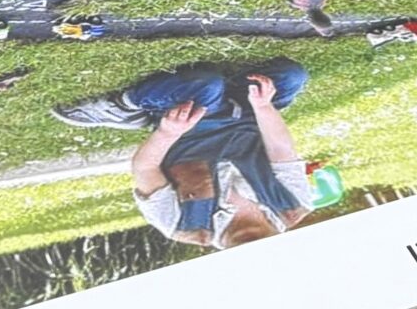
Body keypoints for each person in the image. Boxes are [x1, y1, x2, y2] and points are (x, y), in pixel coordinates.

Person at [54, 58, 314, 249]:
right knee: (291, 75)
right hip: (249, 114)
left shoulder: (181, 226)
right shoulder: (295, 205)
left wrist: (167, 132)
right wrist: (263, 106)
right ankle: (231, 89)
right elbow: (281, 149)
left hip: (190, 123)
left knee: (205, 83)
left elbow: (144, 169)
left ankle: (125, 108)